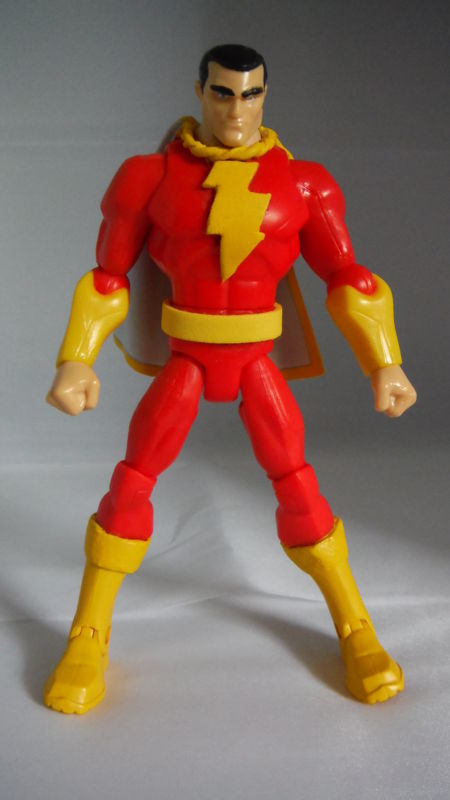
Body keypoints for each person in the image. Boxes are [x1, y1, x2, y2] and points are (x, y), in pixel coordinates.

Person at [44, 44, 417, 714]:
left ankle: (356, 628)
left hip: (254, 358)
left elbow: (348, 278)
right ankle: (88, 635)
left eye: (250, 94)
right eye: (222, 92)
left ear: (266, 95)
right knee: (132, 483)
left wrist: (383, 361)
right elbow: (107, 277)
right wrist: (77, 356)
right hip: (187, 357)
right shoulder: (148, 177)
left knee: (299, 486)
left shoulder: (304, 184)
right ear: (199, 91)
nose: (237, 109)